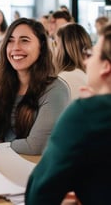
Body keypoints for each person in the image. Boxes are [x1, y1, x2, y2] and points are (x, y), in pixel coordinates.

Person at [25, 23, 111, 204]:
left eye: (92, 54)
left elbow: (39, 195)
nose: (86, 60)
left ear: (106, 66)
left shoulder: (88, 112)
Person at [0, 18, 70, 155]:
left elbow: (36, 146)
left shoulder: (55, 90)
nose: (15, 47)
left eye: (24, 40)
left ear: (41, 46)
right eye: (10, 41)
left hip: (35, 170)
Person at [54, 23, 92, 101]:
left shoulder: (63, 80)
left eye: (56, 44)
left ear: (63, 49)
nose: (54, 49)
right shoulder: (90, 75)